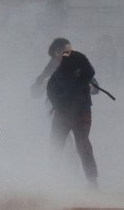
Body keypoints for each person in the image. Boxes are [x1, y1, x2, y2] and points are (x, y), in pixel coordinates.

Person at [41, 38, 99, 184]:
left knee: (83, 145)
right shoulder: (51, 68)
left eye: (70, 51)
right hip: (62, 113)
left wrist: (92, 87)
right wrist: (42, 83)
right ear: (56, 54)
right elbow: (34, 91)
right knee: (56, 145)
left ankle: (92, 181)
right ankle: (51, 182)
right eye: (65, 52)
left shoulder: (78, 62)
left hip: (81, 112)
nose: (69, 55)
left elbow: (95, 85)